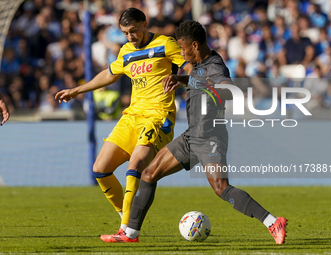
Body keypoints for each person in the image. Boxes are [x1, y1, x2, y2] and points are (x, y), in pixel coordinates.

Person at [100, 20, 288, 245]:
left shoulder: (214, 66)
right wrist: (179, 79)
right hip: (191, 136)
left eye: (183, 48)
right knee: (149, 174)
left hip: (210, 137)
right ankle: (130, 234)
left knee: (221, 188)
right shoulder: (198, 65)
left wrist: (202, 85)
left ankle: (273, 222)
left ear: (195, 46)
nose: (181, 53)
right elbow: (196, 79)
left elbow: (230, 90)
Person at [55, 8, 191, 236]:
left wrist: (181, 79)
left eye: (134, 31)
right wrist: (77, 90)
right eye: (125, 33)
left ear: (144, 24)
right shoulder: (126, 51)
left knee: (135, 164)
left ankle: (127, 230)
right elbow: (109, 74)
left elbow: (190, 67)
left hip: (158, 115)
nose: (130, 37)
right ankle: (126, 214)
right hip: (132, 116)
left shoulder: (165, 44)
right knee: (100, 169)